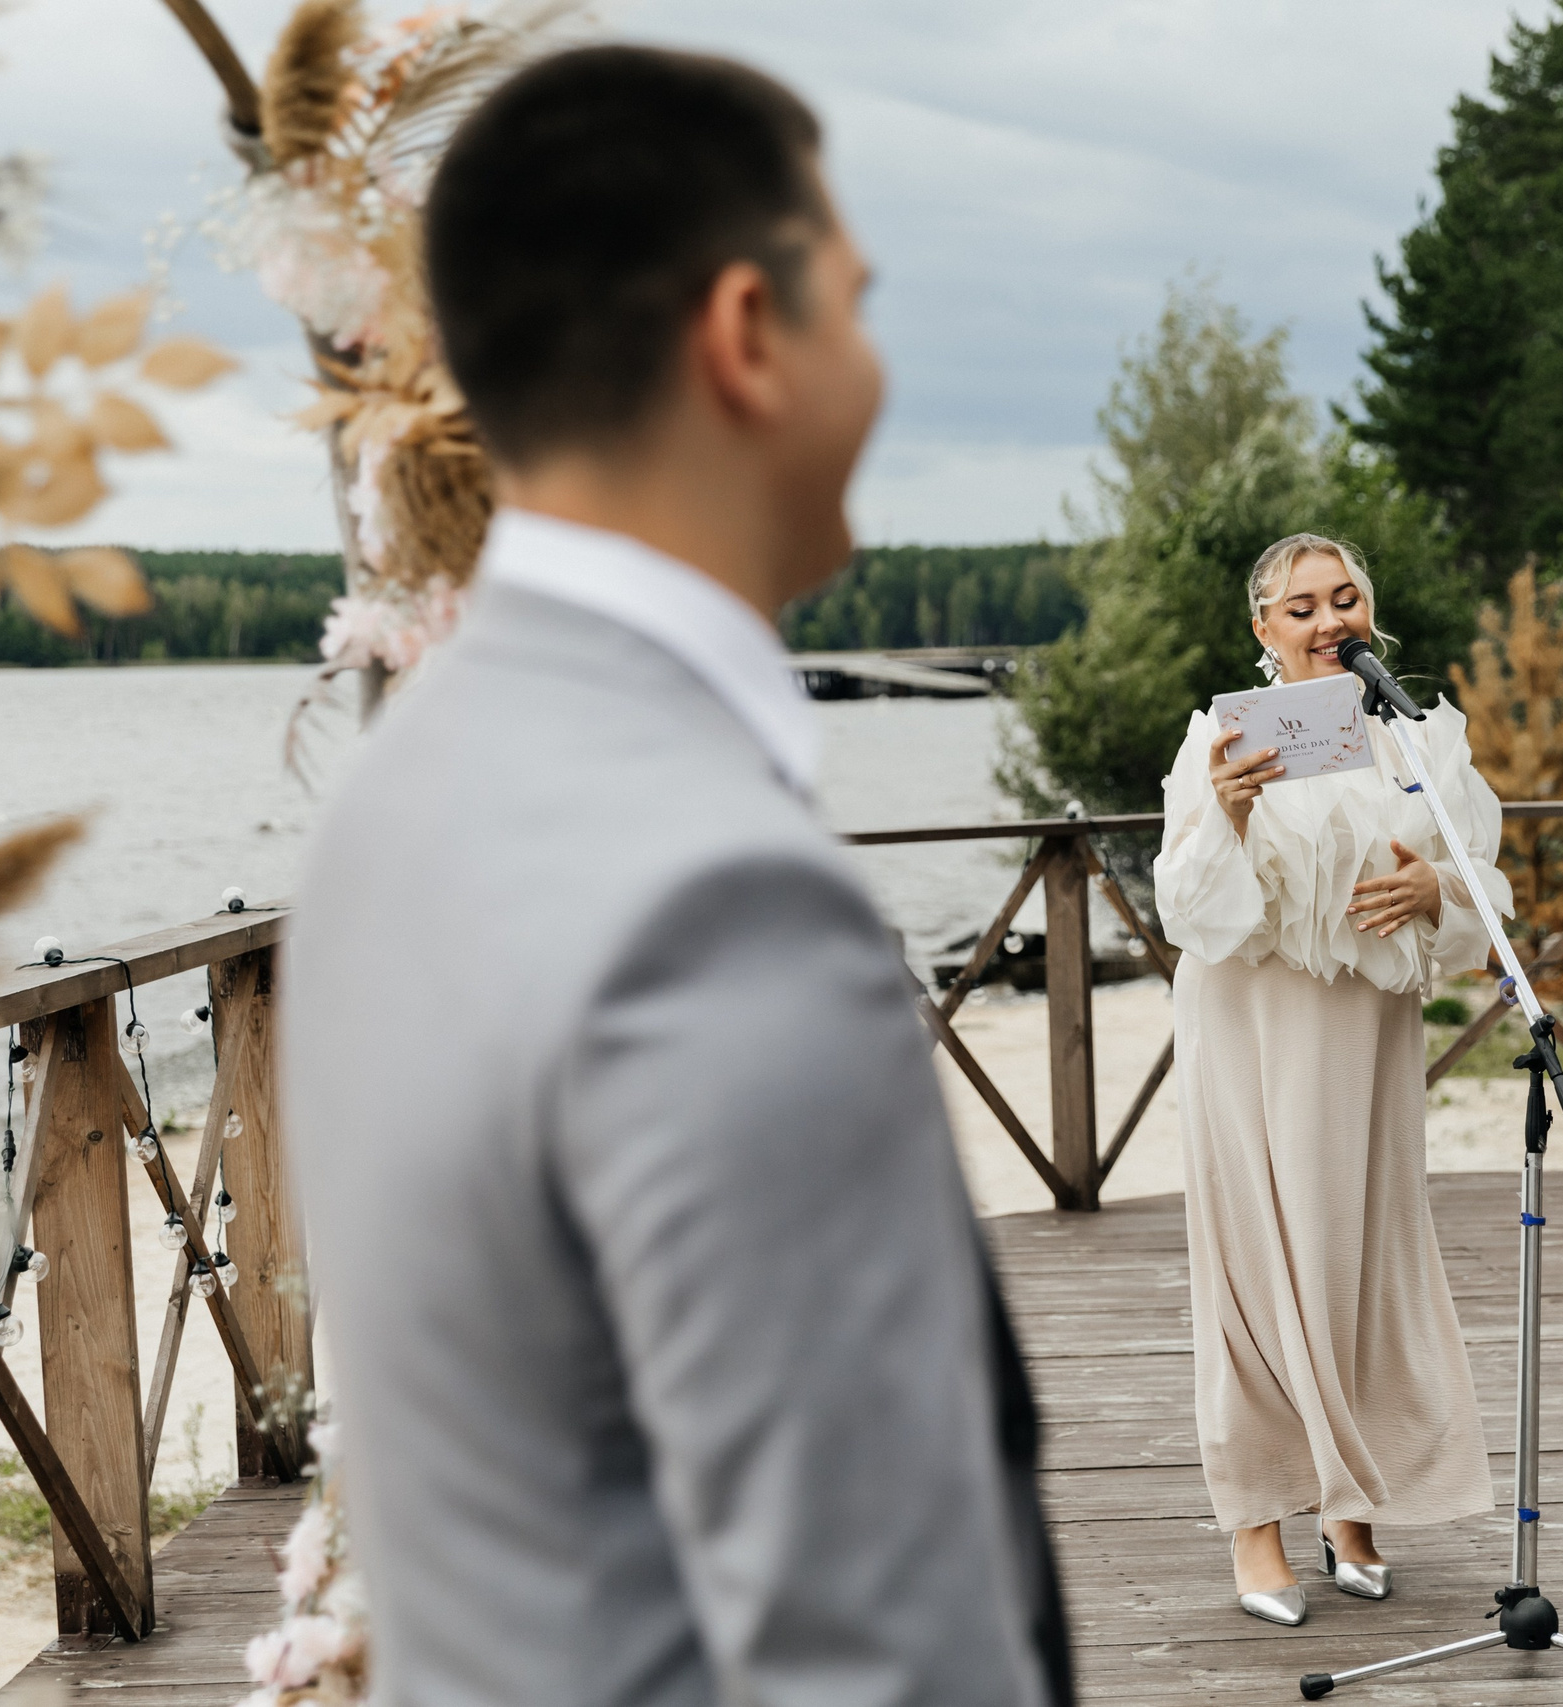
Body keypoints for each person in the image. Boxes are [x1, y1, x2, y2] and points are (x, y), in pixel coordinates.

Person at [281, 47, 1070, 1707]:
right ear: (746, 338)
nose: (876, 363)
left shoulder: (386, 801)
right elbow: (878, 1658)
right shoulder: (717, 906)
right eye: (851, 302)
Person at [1150, 533, 1506, 1627]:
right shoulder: (1219, 738)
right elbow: (1185, 908)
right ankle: (1256, 1521)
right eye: (1300, 608)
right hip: (1253, 1031)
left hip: (1368, 1037)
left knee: (1355, 1263)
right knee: (1260, 1269)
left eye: (1343, 599)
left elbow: (1482, 881)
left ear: (1370, 612)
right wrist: (1231, 810)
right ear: (1264, 631)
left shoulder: (1419, 735)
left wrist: (1435, 890)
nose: (1326, 621)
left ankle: (1349, 1504)